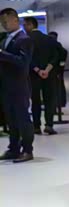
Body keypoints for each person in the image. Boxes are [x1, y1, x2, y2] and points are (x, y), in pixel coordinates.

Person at [0, 8, 35, 162]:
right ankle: (13, 148)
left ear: (15, 20)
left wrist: (2, 54)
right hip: (6, 87)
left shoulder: (24, 39)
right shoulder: (4, 40)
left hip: (19, 86)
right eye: (2, 22)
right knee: (11, 120)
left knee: (23, 119)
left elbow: (23, 62)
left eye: (6, 21)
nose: (4, 24)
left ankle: (27, 150)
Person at [23, 17, 59, 135]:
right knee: (49, 100)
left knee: (35, 101)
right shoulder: (49, 39)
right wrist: (47, 70)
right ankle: (49, 125)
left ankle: (36, 126)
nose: (24, 27)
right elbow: (57, 55)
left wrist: (38, 70)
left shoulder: (26, 40)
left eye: (25, 25)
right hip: (49, 74)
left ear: (30, 25)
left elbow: (27, 58)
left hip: (33, 75)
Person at [48, 31, 68, 108]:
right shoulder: (56, 44)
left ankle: (59, 102)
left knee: (58, 85)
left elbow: (64, 53)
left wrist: (61, 65)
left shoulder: (55, 44)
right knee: (59, 85)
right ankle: (60, 102)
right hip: (56, 68)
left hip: (55, 69)